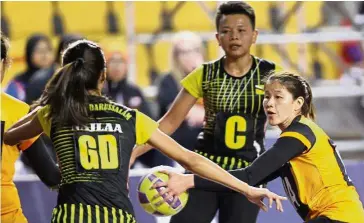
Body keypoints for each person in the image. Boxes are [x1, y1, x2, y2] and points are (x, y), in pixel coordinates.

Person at [3, 40, 286, 222]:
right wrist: (246, 187)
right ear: (103, 76)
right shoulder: (129, 118)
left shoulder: (52, 114)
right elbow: (192, 160)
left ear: (65, 72)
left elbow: (9, 136)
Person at [130, 2, 282, 222]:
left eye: (241, 31)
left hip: (246, 174)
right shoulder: (204, 74)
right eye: (227, 31)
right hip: (203, 170)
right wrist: (133, 152)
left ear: (254, 35)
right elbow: (168, 124)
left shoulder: (271, 74)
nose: (235, 37)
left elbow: (292, 121)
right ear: (217, 38)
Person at [155, 71, 364, 223]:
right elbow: (247, 179)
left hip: (339, 217)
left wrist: (189, 180)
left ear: (298, 103)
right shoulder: (298, 136)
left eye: (278, 97)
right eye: (266, 97)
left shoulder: (298, 135)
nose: (269, 103)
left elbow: (248, 175)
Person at [1, 33, 60, 223]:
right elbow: (51, 177)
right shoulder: (17, 111)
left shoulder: (19, 110)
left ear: (4, 63)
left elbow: (51, 175)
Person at [157, 31, 205, 156]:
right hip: (177, 144)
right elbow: (178, 113)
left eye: (194, 50)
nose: (190, 56)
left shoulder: (211, 77)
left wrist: (200, 73)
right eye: (184, 52)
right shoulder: (167, 81)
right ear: (175, 56)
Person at [5, 33, 54, 101]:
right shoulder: (17, 84)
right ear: (29, 53)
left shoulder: (59, 78)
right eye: (39, 51)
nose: (44, 55)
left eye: (48, 50)